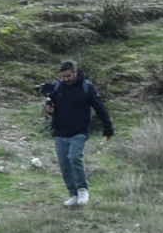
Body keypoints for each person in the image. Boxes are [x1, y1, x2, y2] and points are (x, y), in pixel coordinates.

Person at [41, 59, 113, 208]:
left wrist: (108, 127)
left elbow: (100, 108)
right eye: (63, 76)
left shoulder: (87, 87)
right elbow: (50, 105)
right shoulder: (58, 87)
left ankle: (82, 190)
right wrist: (48, 108)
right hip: (60, 131)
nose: (65, 79)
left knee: (74, 157)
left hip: (79, 131)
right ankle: (73, 194)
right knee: (64, 164)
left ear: (75, 72)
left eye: (68, 76)